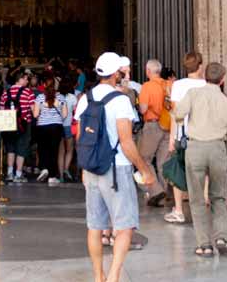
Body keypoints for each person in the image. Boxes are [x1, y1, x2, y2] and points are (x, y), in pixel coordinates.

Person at [74, 52, 155, 282]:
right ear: (115, 74)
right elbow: (126, 141)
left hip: (91, 169)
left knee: (95, 226)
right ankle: (113, 276)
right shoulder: (120, 100)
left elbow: (81, 138)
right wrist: (144, 169)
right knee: (125, 225)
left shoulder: (85, 98)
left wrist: (83, 168)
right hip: (116, 168)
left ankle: (98, 276)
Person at [175, 62, 227, 257]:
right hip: (218, 148)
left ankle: (204, 244)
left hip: (195, 149)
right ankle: (221, 237)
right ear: (222, 80)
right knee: (219, 196)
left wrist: (180, 119)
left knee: (196, 199)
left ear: (204, 76)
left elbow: (178, 113)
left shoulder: (194, 94)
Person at [165, 51, 207, 225]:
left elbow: (175, 114)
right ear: (200, 66)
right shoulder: (208, 84)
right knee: (202, 171)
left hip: (182, 135)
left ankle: (179, 210)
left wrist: (171, 138)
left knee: (178, 170)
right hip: (204, 134)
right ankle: (202, 206)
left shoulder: (178, 85)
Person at [136, 59, 172, 207]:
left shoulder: (147, 86)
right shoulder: (169, 84)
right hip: (168, 125)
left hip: (153, 126)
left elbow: (143, 109)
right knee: (163, 162)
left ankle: (156, 191)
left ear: (148, 71)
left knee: (144, 159)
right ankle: (163, 197)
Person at [0, 70, 36, 184]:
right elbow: (33, 110)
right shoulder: (28, 92)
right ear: (19, 79)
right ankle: (18, 174)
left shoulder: (6, 93)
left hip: (8, 124)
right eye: (25, 79)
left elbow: (1, 110)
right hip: (24, 123)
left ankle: (10, 173)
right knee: (21, 149)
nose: (27, 81)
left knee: (10, 148)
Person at [33, 78, 66, 185]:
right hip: (56, 127)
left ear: (44, 85)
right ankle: (52, 176)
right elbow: (65, 115)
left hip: (42, 126)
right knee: (54, 151)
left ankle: (44, 168)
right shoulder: (61, 97)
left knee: (43, 149)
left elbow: (35, 114)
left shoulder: (40, 97)